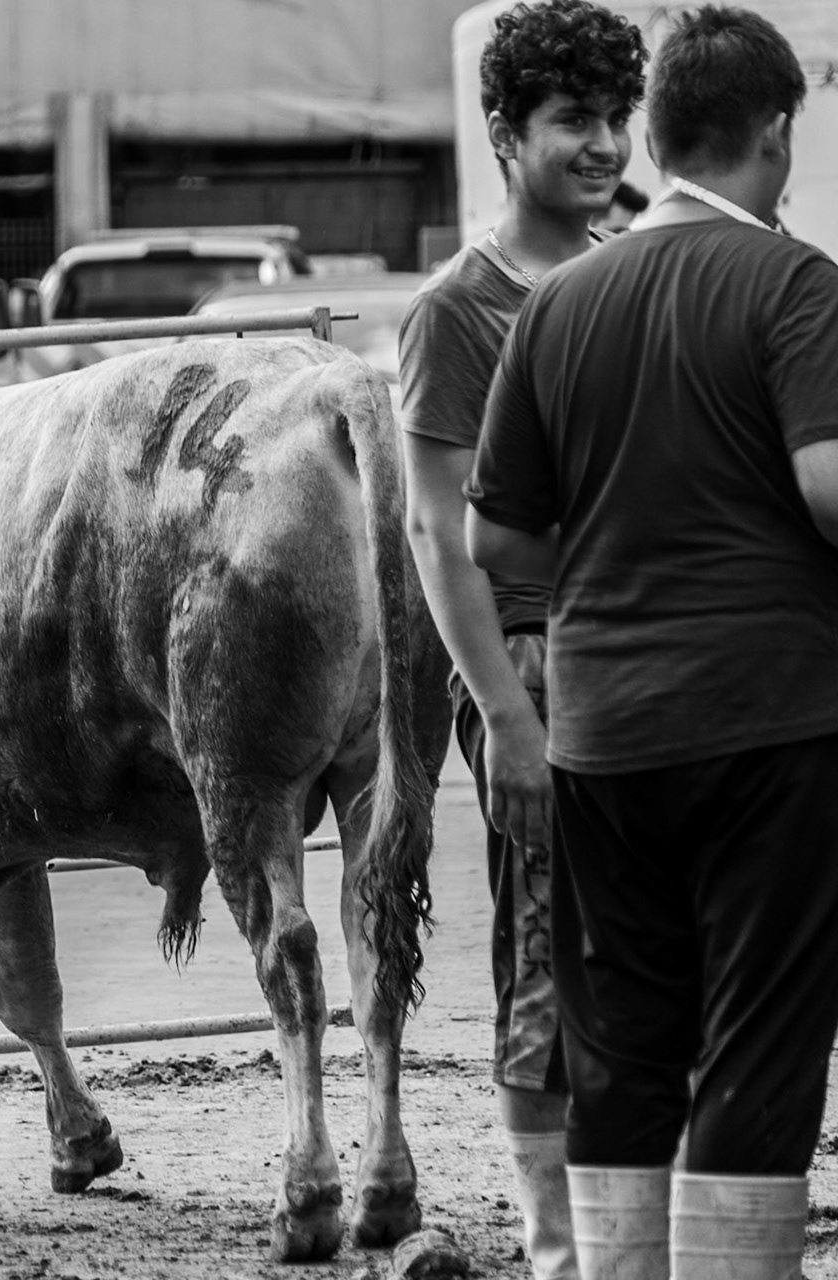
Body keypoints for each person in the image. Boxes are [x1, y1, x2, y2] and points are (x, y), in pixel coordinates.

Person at [467, 8, 838, 1277]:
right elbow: (830, 483)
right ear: (776, 135)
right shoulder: (797, 285)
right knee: (756, 1040)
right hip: (769, 727)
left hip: (603, 737)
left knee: (620, 1047)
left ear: (661, 134)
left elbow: (498, 548)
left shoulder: (557, 306)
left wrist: (618, 563)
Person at [398, 4, 646, 1277]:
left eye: (615, 118)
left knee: (658, 957)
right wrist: (502, 716)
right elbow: (439, 535)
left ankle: (630, 1227)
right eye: (572, 122)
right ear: (504, 135)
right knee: (547, 955)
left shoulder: (636, 266)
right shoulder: (459, 311)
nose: (602, 144)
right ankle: (557, 1247)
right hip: (538, 662)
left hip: (659, 663)